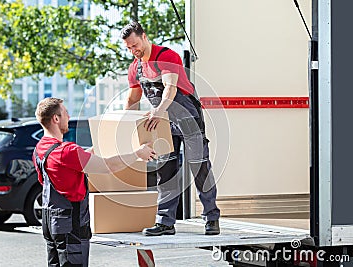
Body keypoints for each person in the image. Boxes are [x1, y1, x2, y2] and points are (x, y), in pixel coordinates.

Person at [120, 21, 220, 236]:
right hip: (163, 122)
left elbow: (170, 88)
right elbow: (132, 99)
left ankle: (211, 218)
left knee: (199, 166)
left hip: (187, 117)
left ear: (144, 37)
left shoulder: (166, 56)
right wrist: (124, 124)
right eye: (129, 48)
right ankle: (165, 222)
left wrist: (159, 110)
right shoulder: (135, 68)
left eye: (135, 45)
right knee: (165, 170)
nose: (133, 50)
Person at [32, 97, 156, 266]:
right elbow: (108, 166)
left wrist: (105, 143)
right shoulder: (67, 151)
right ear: (56, 119)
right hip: (70, 225)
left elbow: (76, 162)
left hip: (50, 221)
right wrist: (137, 154)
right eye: (66, 113)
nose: (68, 116)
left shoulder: (40, 149)